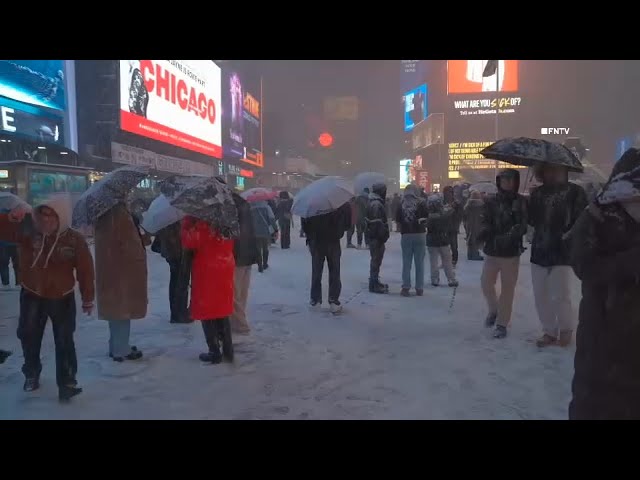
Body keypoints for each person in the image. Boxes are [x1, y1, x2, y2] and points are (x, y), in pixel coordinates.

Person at [567, 149, 640, 419]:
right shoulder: (596, 217)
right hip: (604, 337)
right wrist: (629, 263)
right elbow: (584, 265)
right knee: (597, 403)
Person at [0, 194, 94, 402]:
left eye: (51, 216)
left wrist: (88, 297)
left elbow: (86, 270)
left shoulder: (74, 239)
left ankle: (67, 382)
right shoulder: (28, 231)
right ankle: (31, 374)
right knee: (29, 336)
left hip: (62, 297)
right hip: (32, 293)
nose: (46, 221)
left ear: (61, 217)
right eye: (42, 216)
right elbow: (4, 231)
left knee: (64, 341)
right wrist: (9, 219)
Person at [528, 164, 587, 347]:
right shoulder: (537, 194)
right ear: (542, 172)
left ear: (565, 171)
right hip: (539, 250)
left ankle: (566, 329)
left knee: (560, 294)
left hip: (562, 250)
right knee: (540, 295)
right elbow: (531, 221)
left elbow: (582, 219)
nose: (553, 173)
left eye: (557, 170)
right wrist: (527, 206)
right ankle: (549, 331)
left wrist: (570, 236)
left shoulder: (575, 192)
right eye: (548, 170)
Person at [95, 202, 149, 362]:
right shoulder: (118, 213)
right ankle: (121, 349)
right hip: (121, 270)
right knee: (122, 310)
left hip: (111, 270)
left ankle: (117, 345)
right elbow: (129, 243)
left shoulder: (104, 213)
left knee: (116, 310)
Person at [478, 170, 528, 339]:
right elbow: (484, 220)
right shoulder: (491, 201)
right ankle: (494, 310)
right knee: (486, 283)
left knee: (508, 289)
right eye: (504, 180)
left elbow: (522, 225)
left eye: (511, 180)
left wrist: (510, 235)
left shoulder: (521, 202)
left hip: (511, 252)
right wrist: (483, 233)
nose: (507, 183)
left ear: (516, 181)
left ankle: (502, 323)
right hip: (492, 250)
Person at [181, 216, 235, 363]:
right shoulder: (227, 220)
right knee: (221, 308)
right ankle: (228, 349)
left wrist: (186, 224)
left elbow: (189, 242)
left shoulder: (200, 224)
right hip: (225, 266)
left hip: (207, 269)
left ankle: (214, 351)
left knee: (207, 309)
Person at [302, 201, 351, 313]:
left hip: (316, 241)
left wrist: (310, 236)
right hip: (333, 241)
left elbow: (305, 223)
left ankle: (315, 300)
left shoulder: (311, 203)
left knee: (316, 271)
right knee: (334, 271)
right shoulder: (338, 202)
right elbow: (347, 224)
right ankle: (334, 301)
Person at [152, 221, 192, 324]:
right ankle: (179, 313)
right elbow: (178, 234)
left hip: (171, 249)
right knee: (181, 281)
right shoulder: (175, 216)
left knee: (176, 280)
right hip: (178, 250)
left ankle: (177, 312)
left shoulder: (166, 215)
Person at [231, 193, 259, 335]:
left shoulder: (229, 206)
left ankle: (240, 325)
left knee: (233, 293)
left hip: (237, 254)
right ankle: (237, 321)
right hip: (248, 252)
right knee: (241, 291)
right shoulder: (243, 203)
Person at [396, 184, 428, 296]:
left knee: (406, 263)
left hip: (406, 236)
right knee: (419, 263)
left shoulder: (401, 204)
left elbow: (398, 222)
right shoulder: (422, 203)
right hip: (420, 234)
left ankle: (406, 287)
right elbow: (426, 218)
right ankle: (419, 288)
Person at [426, 194, 458, 288]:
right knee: (447, 261)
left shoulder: (429, 216)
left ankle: (435, 279)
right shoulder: (444, 215)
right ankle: (451, 279)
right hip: (443, 239)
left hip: (431, 240)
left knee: (433, 262)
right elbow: (451, 211)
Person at [366, 183, 391, 294]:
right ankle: (374, 284)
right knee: (375, 261)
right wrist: (382, 235)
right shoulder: (376, 204)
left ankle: (375, 281)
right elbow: (376, 223)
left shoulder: (374, 202)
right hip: (376, 237)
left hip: (375, 237)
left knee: (376, 261)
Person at [250, 200, 278, 272]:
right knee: (265, 248)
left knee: (258, 249)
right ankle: (265, 264)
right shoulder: (267, 208)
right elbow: (272, 219)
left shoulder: (251, 208)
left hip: (255, 232)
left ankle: (260, 266)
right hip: (265, 232)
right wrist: (275, 229)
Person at [443, 186, 463, 267]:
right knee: (444, 246)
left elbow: (460, 215)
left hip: (452, 227)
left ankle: (454, 261)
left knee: (454, 245)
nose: (448, 194)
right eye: (447, 192)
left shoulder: (456, 203)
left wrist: (453, 211)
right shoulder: (442, 202)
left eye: (450, 192)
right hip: (444, 227)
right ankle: (445, 261)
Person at [463, 190, 485, 261]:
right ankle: (475, 254)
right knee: (476, 239)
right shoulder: (481, 205)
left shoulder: (468, 205)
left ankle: (470, 254)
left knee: (470, 238)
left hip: (469, 224)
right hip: (478, 224)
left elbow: (464, 215)